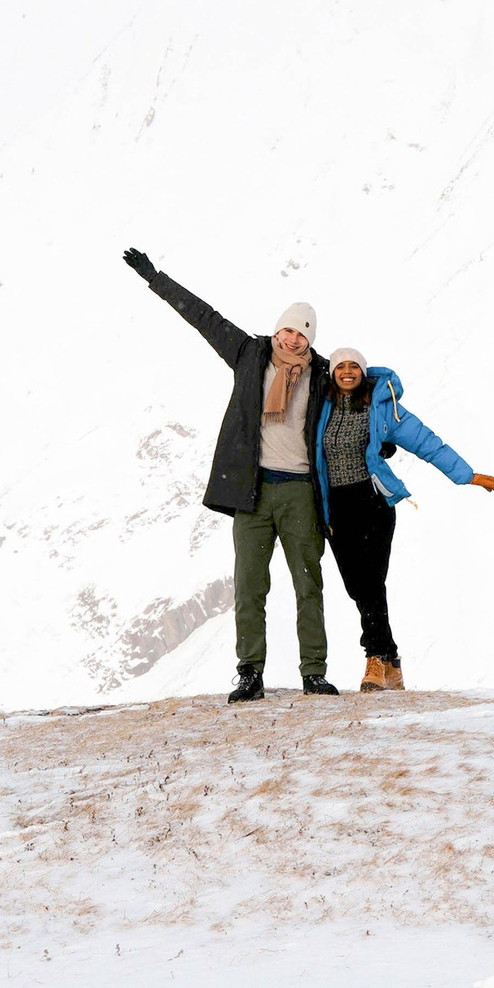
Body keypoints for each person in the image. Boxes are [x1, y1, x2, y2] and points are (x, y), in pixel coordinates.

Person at [123, 248, 337, 699]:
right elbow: (203, 316)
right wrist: (154, 277)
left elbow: (361, 398)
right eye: (288, 329)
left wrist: (385, 438)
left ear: (311, 339)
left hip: (300, 490)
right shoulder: (248, 353)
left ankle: (313, 672)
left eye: (302, 333)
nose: (293, 339)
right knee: (249, 587)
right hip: (253, 490)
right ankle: (250, 673)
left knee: (308, 584)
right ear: (276, 328)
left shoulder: (323, 374)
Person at [312, 342, 494, 689]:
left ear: (364, 372)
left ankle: (374, 660)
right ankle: (391, 659)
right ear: (332, 373)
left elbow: (425, 441)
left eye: (354, 367)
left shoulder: (383, 408)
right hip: (336, 507)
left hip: (374, 503)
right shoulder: (320, 408)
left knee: (370, 583)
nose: (348, 372)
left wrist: (466, 475)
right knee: (358, 587)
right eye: (341, 367)